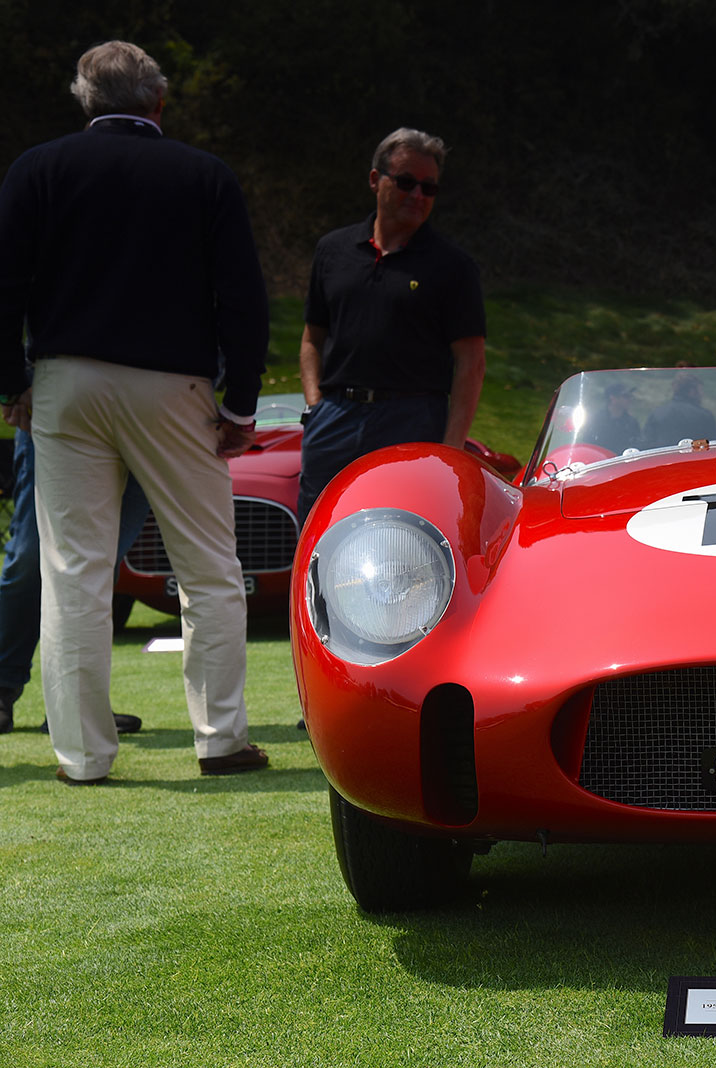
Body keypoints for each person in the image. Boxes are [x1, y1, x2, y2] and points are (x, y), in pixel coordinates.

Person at [0, 41, 269, 782]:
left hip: (66, 383)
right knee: (210, 568)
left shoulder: (39, 169)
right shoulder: (203, 175)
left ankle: (83, 755)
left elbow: (5, 288)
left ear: (85, 102)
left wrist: (12, 383)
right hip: (172, 387)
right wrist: (240, 404)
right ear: (157, 101)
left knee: (74, 570)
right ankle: (220, 740)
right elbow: (242, 300)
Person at [297, 127, 487, 521]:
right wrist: (316, 406)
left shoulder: (452, 267)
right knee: (319, 527)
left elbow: (471, 361)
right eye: (405, 182)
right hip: (335, 416)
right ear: (374, 180)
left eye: (428, 188)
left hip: (412, 420)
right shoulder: (333, 250)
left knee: (403, 532)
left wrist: (451, 446)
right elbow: (312, 337)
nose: (417, 196)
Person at [0, 429, 150, 734]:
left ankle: (79, 703)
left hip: (142, 417)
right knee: (29, 556)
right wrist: (13, 392)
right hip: (53, 413)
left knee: (99, 567)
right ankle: (3, 687)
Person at [643, 371, 716, 447]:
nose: (702, 394)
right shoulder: (704, 416)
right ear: (691, 391)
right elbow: (712, 447)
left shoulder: (657, 414)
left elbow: (646, 444)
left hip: (663, 458)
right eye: (700, 390)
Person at [580, 381, 640, 454]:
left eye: (630, 396)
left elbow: (637, 446)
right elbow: (588, 446)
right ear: (613, 398)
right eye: (626, 396)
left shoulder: (632, 422)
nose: (630, 399)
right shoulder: (595, 420)